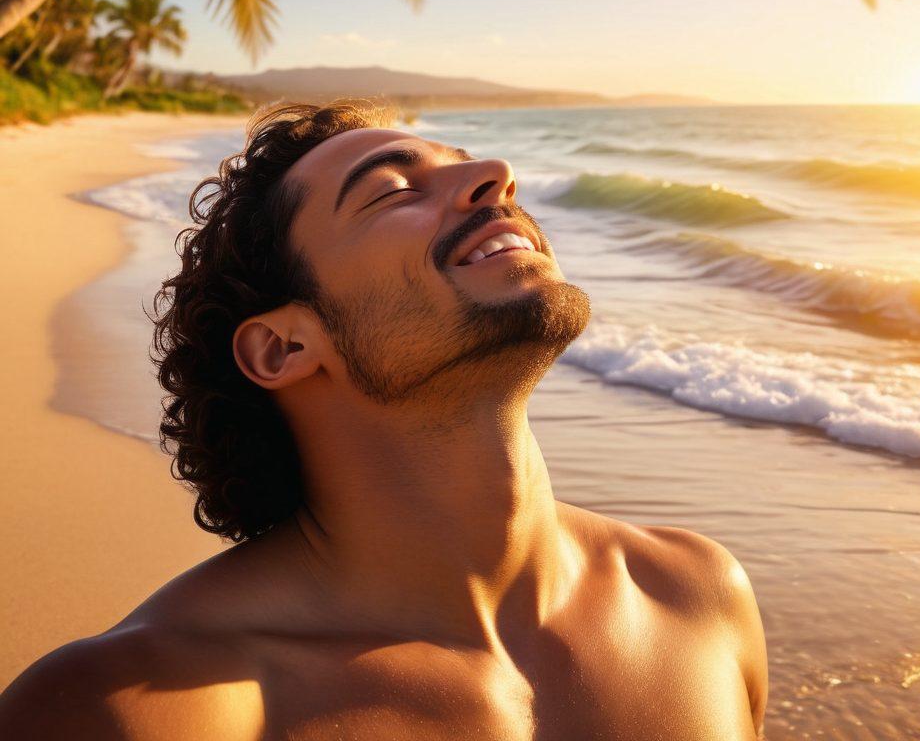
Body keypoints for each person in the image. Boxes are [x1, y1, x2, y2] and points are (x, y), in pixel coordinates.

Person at [0, 101, 768, 739]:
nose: (496, 176)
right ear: (285, 346)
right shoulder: (141, 708)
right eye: (395, 190)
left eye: (464, 159)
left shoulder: (697, 593)